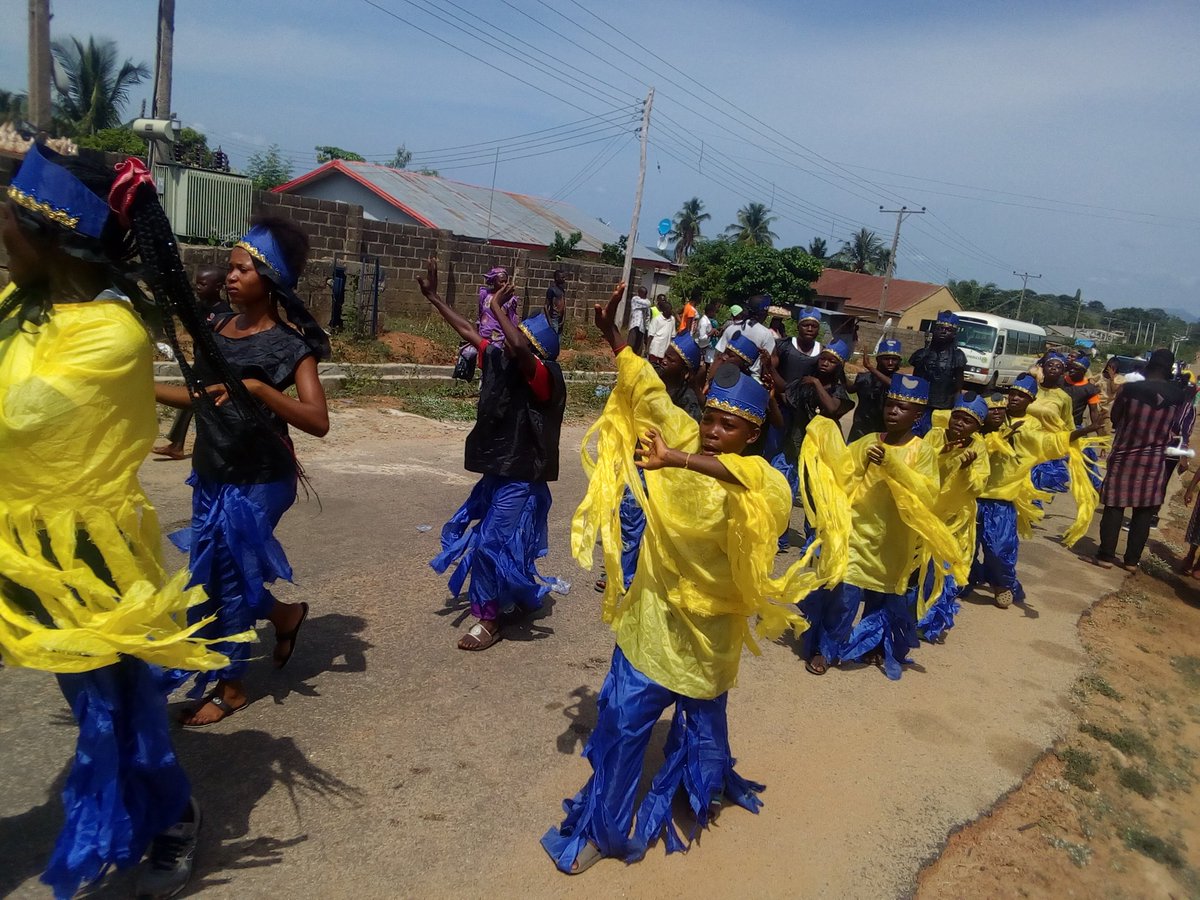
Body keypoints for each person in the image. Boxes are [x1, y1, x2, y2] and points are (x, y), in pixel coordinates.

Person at [0, 144, 252, 898]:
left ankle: (173, 813)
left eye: (9, 222)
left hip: (85, 557)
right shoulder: (21, 307)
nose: (0, 238)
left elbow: (22, 416)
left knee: (115, 707)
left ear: (54, 233)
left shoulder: (113, 334)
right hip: (12, 541)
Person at [542, 287, 820, 875]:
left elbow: (746, 486)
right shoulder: (683, 438)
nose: (714, 431)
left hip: (708, 637)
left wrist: (678, 461)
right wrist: (615, 337)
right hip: (650, 626)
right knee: (618, 728)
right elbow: (645, 387)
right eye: (710, 419)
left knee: (703, 726)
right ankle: (606, 829)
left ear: (752, 434)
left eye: (729, 425)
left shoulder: (767, 482)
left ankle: (704, 783)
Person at [155, 216, 331, 726]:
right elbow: (200, 398)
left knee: (228, 578)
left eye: (242, 269)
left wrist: (259, 391)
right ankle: (284, 615)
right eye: (231, 268)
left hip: (262, 478)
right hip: (213, 472)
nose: (230, 277)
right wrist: (134, 387)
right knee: (207, 577)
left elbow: (317, 421)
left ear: (269, 276)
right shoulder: (215, 330)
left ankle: (231, 687)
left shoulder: (291, 347)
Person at [418, 257, 566, 650]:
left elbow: (518, 348)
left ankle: (487, 621)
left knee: (488, 543)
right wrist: (434, 298)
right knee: (500, 540)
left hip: (522, 477)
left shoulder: (543, 377)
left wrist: (497, 308)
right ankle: (519, 597)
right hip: (498, 469)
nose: (508, 341)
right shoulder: (502, 360)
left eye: (518, 339)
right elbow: (470, 331)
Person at [806, 375, 962, 679]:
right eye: (890, 405)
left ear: (917, 416)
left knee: (883, 597)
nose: (893, 412)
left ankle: (874, 644)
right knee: (845, 594)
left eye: (902, 408)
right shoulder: (867, 441)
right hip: (857, 534)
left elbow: (929, 494)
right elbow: (842, 480)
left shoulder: (923, 451)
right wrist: (862, 462)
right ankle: (826, 649)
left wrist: (893, 465)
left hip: (894, 540)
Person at [972, 376, 1099, 606]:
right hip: (970, 496)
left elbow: (1050, 442)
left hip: (1001, 500)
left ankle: (1001, 583)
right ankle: (962, 582)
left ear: (1030, 400)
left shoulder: (1029, 428)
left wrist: (1085, 431)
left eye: (1021, 396)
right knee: (965, 547)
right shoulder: (994, 414)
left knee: (999, 549)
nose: (1014, 399)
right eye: (1013, 394)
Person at [1093, 349, 1190, 571]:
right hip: (1155, 458)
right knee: (1144, 511)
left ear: (1149, 364)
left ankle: (1105, 556)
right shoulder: (1178, 394)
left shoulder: (1131, 389)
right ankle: (1131, 562)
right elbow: (1177, 426)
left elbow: (1116, 418)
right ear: (1170, 369)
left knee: (1114, 505)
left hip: (1125, 453)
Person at [916, 394, 991, 643]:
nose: (960, 423)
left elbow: (979, 486)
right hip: (928, 512)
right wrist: (941, 454)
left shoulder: (978, 447)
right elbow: (919, 466)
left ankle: (931, 620)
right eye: (957, 417)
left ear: (977, 427)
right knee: (919, 565)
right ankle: (911, 611)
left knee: (943, 568)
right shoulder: (936, 436)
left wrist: (967, 470)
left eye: (968, 421)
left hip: (955, 520)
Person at [153, 263, 233, 459]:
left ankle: (214, 447)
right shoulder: (201, 307)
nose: (198, 287)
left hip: (213, 369)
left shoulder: (223, 312)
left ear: (218, 287)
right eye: (197, 284)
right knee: (192, 400)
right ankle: (177, 444)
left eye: (203, 284)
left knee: (203, 405)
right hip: (201, 364)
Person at [909, 310, 966, 435]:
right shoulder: (921, 354)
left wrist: (957, 411)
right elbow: (914, 381)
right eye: (940, 328)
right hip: (920, 406)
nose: (943, 331)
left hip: (943, 408)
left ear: (954, 334)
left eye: (948, 330)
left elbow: (958, 387)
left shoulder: (958, 356)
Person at [847, 339, 903, 442]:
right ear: (878, 360)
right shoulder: (864, 378)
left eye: (894, 359)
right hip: (860, 430)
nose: (890, 363)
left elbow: (895, 387)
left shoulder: (901, 382)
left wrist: (870, 368)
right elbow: (850, 390)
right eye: (886, 359)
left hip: (885, 433)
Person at [714, 294, 775, 375]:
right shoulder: (767, 335)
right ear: (764, 314)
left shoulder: (732, 328)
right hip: (749, 379)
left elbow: (719, 357)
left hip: (724, 375)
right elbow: (767, 366)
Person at [773, 305, 823, 385]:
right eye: (805, 325)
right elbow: (770, 370)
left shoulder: (822, 353)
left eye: (814, 326)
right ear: (798, 326)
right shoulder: (782, 345)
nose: (810, 329)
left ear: (818, 329)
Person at [646, 296, 675, 363]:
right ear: (664, 311)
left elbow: (673, 336)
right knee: (652, 366)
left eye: (671, 309)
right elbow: (651, 335)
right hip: (655, 348)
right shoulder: (656, 319)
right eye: (669, 310)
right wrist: (647, 349)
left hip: (665, 349)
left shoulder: (672, 319)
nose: (671, 311)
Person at [627, 285, 652, 355]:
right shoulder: (635, 299)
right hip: (634, 325)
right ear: (639, 293)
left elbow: (648, 316)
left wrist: (647, 328)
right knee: (631, 344)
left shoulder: (646, 302)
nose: (645, 296)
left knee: (639, 346)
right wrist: (646, 302)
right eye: (644, 294)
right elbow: (648, 304)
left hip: (642, 327)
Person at [695, 300, 718, 366]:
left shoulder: (707, 321)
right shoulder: (704, 322)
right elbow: (702, 337)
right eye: (714, 312)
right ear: (710, 312)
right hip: (701, 346)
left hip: (704, 346)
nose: (715, 314)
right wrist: (711, 333)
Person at [545, 268, 567, 336]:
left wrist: (563, 318)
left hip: (560, 319)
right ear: (557, 278)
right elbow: (545, 306)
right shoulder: (551, 290)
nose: (564, 279)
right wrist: (549, 321)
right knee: (554, 338)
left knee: (559, 340)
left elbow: (564, 304)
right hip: (554, 318)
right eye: (562, 277)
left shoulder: (561, 290)